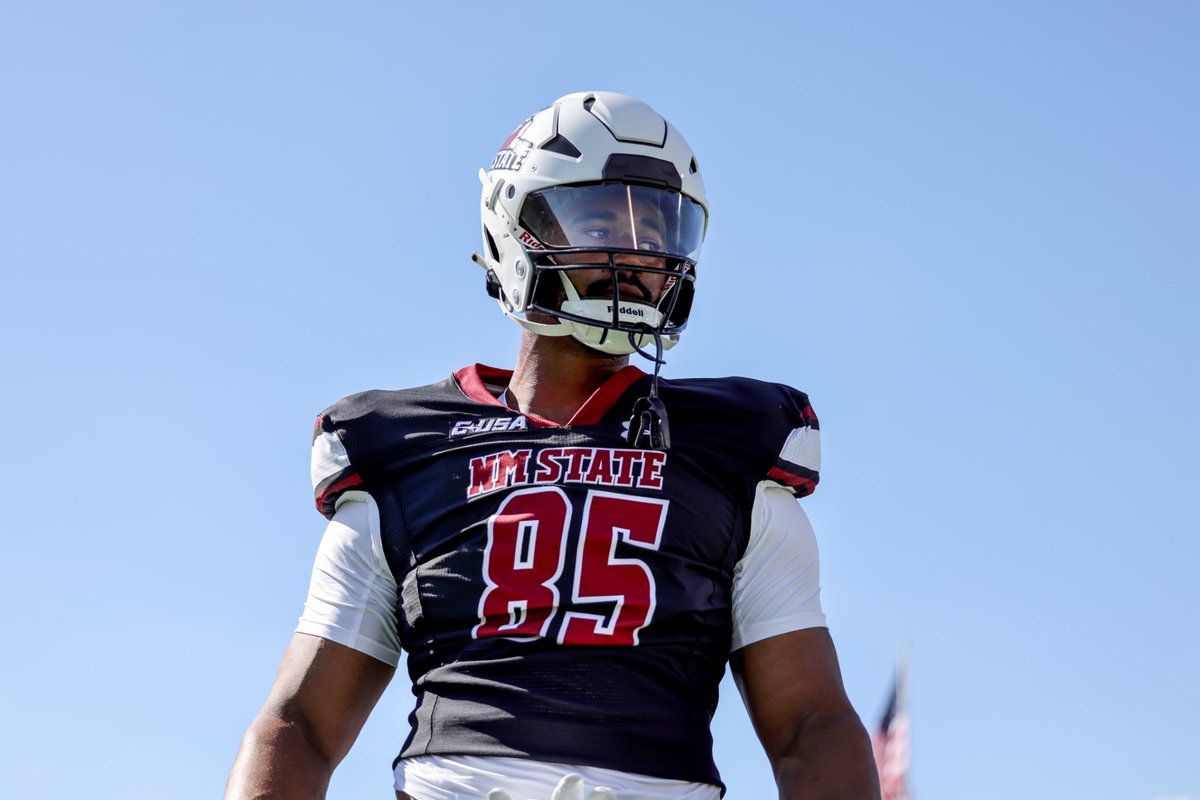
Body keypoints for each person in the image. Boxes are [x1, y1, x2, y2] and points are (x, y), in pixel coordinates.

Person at [225, 91, 880, 800]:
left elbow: (810, 722)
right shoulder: (403, 451)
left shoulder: (733, 451)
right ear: (516, 227)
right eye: (600, 217)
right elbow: (300, 722)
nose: (635, 252)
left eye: (656, 230)